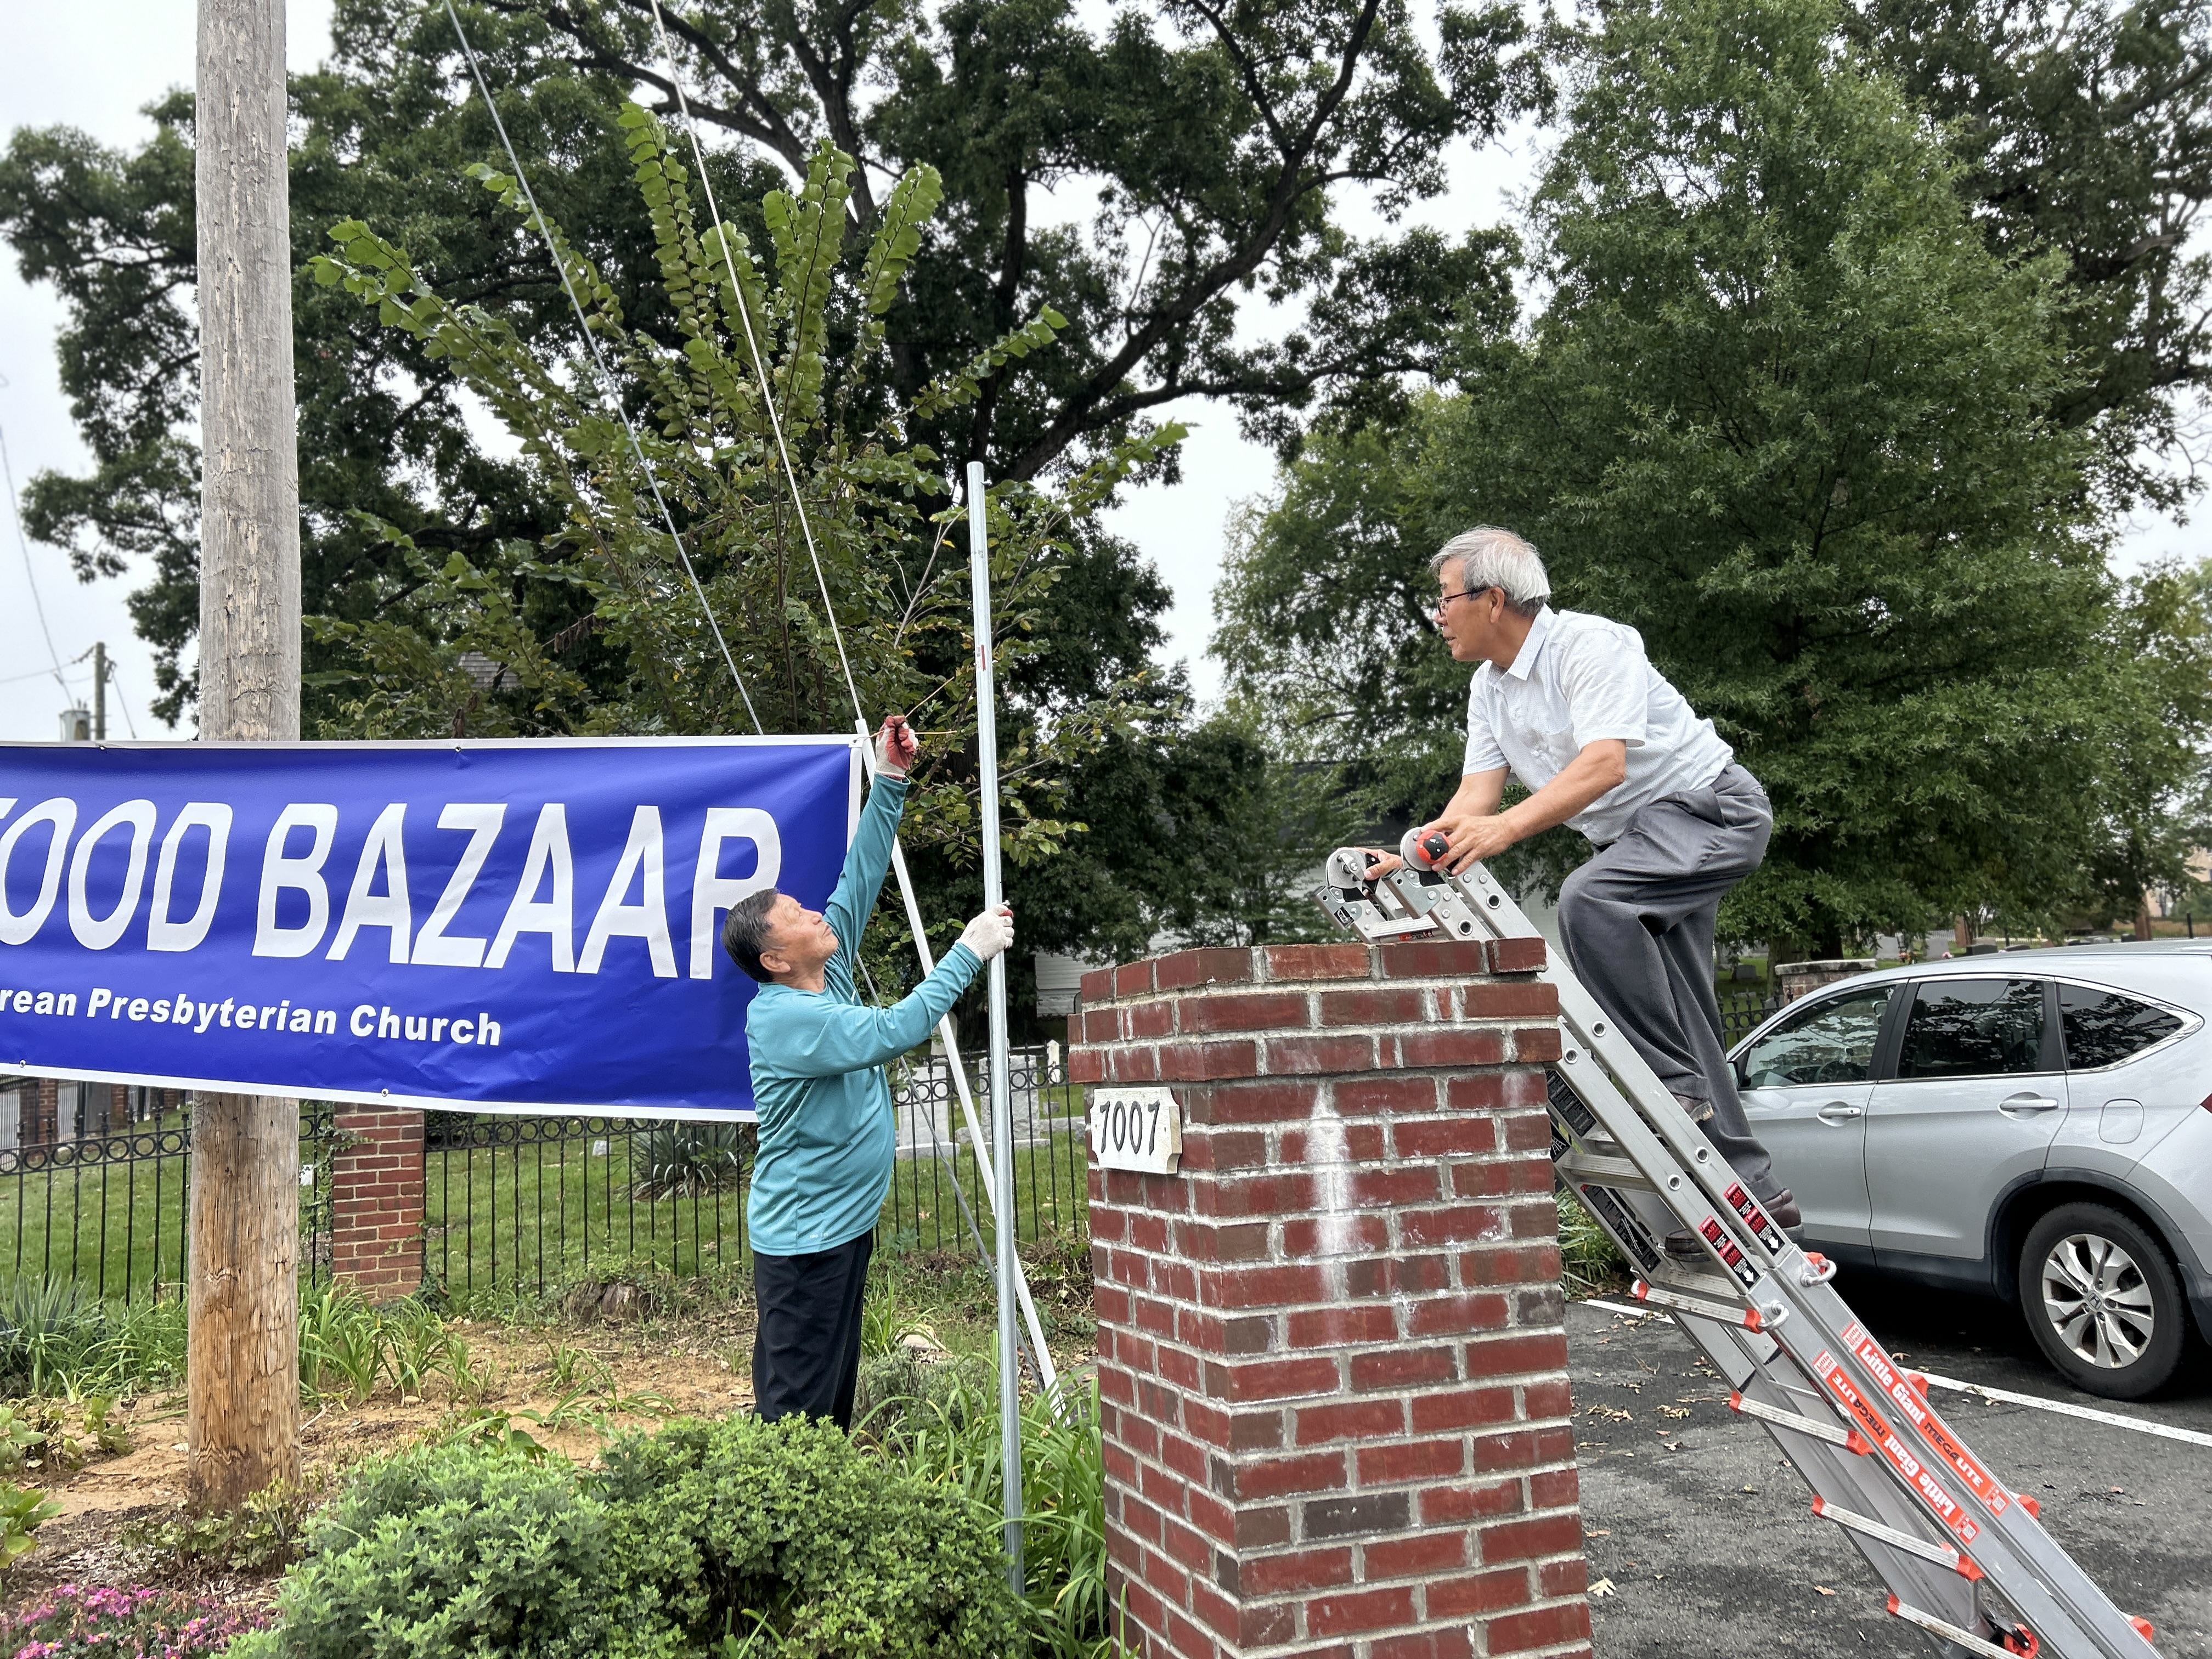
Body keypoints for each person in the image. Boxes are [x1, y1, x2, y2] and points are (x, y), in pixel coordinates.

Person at [1392, 526, 1801, 1246]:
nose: (1438, 616)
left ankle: (1670, 1091)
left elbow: (1604, 764)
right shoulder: (1490, 689)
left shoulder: (1591, 645)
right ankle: (1751, 1192)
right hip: (1641, 844)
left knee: (1592, 901)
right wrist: (1411, 857)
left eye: (1445, 599)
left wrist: (1505, 829)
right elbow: (1474, 800)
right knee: (1685, 1012)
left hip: (1710, 812)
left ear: (1493, 599)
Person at [721, 714, 1015, 1425]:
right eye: (795, 915)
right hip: (806, 1244)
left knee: (830, 1400)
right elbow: (894, 1030)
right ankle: (782, 1500)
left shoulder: (826, 972)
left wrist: (889, 780)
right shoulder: (785, 1018)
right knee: (797, 1413)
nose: (814, 913)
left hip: (841, 1230)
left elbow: (859, 875)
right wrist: (969, 951)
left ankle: (820, 1488)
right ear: (774, 958)